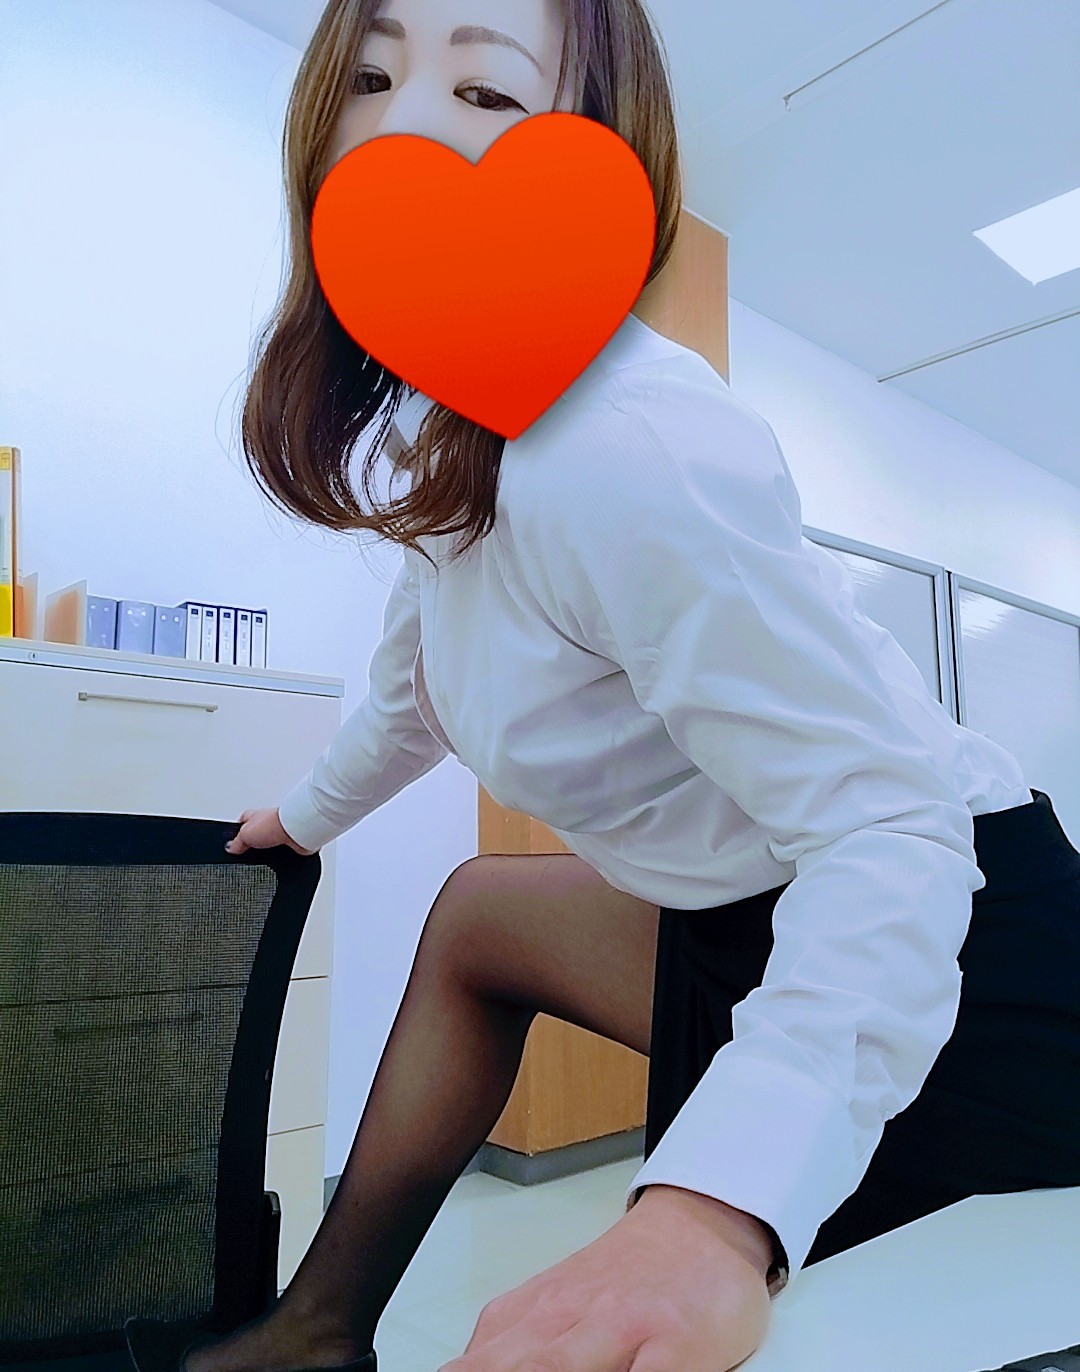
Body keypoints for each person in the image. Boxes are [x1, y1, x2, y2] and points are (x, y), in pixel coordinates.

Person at [124, 0, 1080, 1370]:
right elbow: (416, 686)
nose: (401, 123)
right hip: (732, 911)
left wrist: (710, 1210)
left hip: (958, 938)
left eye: (486, 92)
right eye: (373, 73)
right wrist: (308, 815)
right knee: (483, 916)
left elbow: (892, 827)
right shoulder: (466, 438)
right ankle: (318, 1332)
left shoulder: (622, 449)